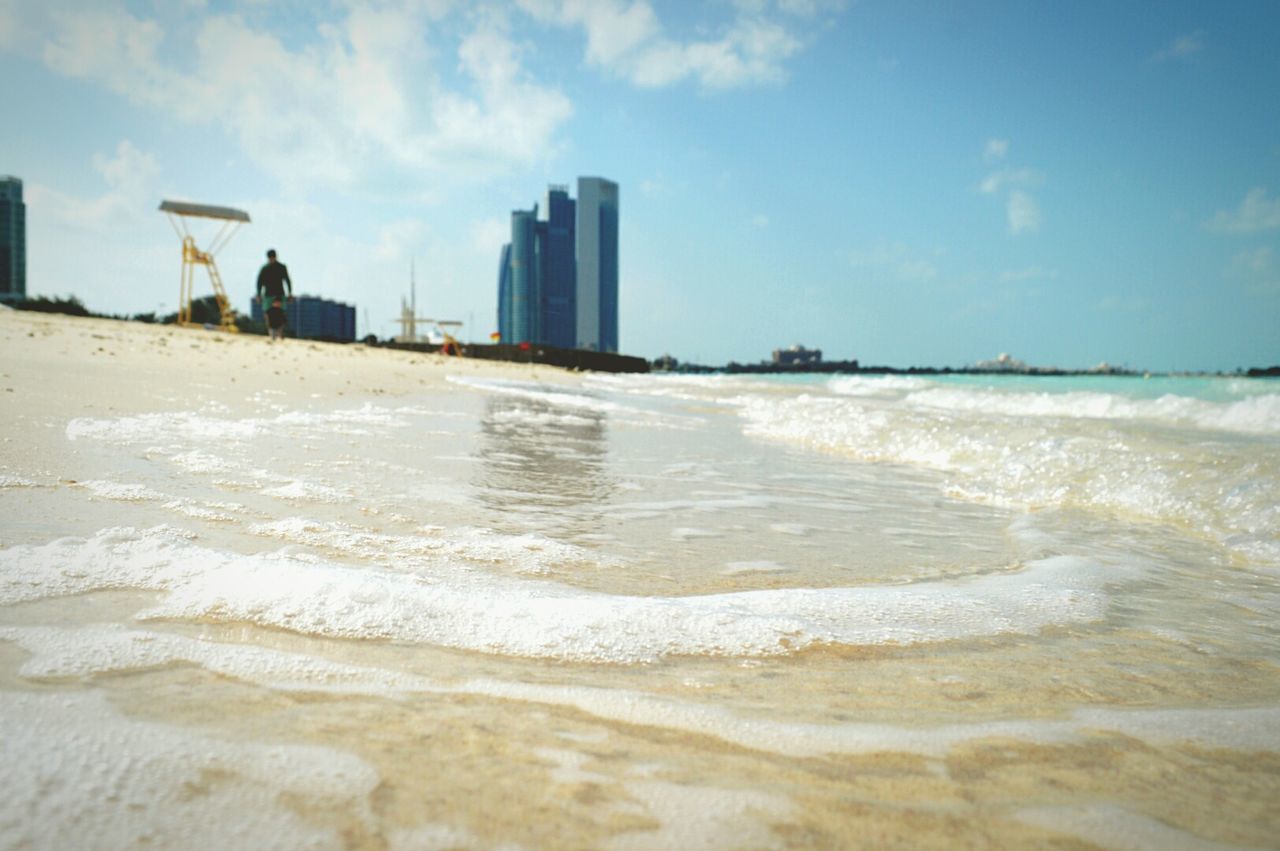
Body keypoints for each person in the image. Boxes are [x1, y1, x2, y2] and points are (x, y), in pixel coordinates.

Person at [256, 249, 292, 339]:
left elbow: (287, 280)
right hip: (269, 294)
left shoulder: (281, 267)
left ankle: (279, 333)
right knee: (268, 313)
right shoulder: (265, 268)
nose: (271, 259)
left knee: (280, 314)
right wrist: (258, 294)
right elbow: (259, 282)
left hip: (278, 293)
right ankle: (272, 333)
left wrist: (290, 293)